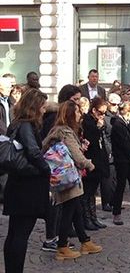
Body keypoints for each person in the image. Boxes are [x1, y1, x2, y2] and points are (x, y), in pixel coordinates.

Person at [42, 100, 102, 260]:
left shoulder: (60, 130)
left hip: (67, 176)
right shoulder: (65, 132)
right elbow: (76, 155)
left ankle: (84, 241)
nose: (79, 114)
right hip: (67, 176)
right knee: (69, 212)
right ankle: (62, 246)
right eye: (76, 111)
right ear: (69, 114)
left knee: (75, 210)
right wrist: (89, 164)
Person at [3, 89, 51, 273]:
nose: (44, 110)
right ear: (35, 106)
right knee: (21, 233)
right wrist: (47, 169)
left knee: (14, 232)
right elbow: (33, 151)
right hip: (27, 185)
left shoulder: (16, 123)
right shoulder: (26, 125)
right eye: (43, 106)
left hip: (18, 183)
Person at [81, 97, 110, 230]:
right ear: (93, 110)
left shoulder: (97, 122)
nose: (102, 116)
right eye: (100, 112)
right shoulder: (87, 122)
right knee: (87, 191)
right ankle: (86, 218)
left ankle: (93, 216)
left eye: (104, 113)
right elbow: (90, 141)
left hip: (99, 160)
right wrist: (98, 128)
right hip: (91, 160)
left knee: (92, 191)